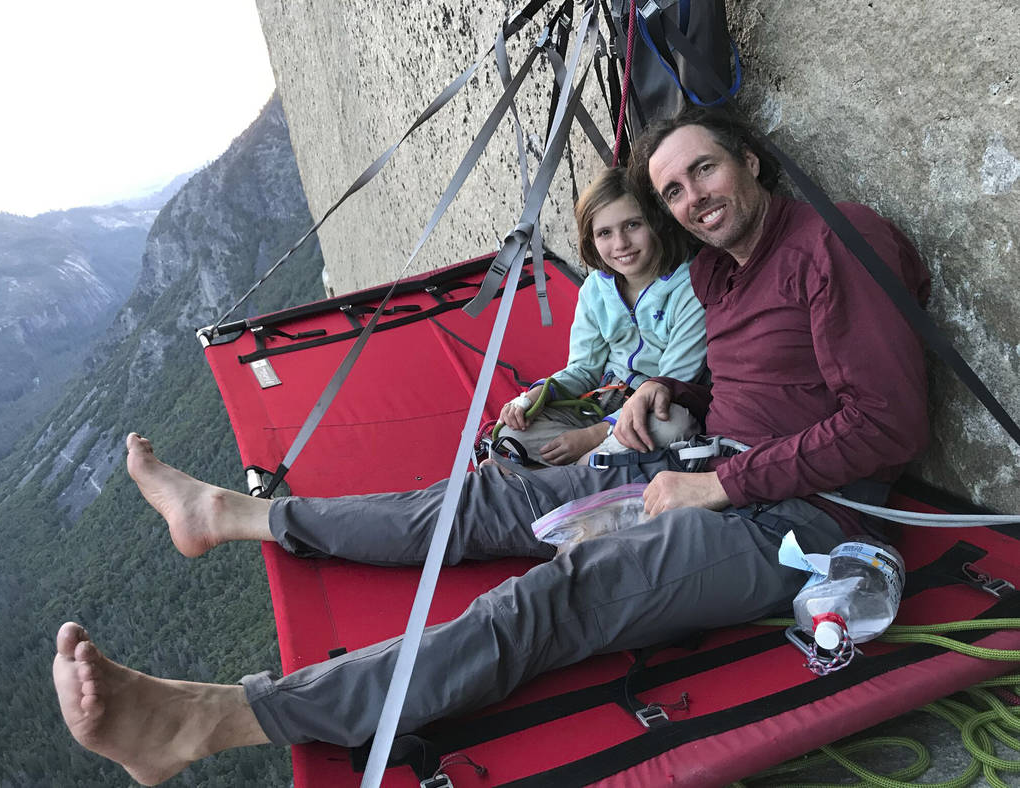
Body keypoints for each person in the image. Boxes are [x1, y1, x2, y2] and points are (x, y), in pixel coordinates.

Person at [53, 106, 930, 786]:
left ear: (750, 162)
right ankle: (240, 515)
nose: (693, 198)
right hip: (702, 463)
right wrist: (676, 391)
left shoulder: (836, 241)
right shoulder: (714, 272)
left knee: (547, 600)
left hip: (801, 519)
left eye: (705, 168)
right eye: (672, 190)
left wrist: (723, 485)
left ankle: (211, 722)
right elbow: (759, 383)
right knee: (484, 500)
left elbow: (886, 426)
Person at [495, 166, 706, 466]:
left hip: (659, 403)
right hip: (603, 400)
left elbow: (674, 381)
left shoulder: (691, 286)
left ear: (657, 222)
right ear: (591, 239)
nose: (620, 244)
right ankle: (594, 466)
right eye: (605, 233)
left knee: (676, 425)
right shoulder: (595, 289)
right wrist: (540, 393)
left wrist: (594, 436)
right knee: (514, 432)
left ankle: (580, 469)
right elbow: (584, 369)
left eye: (633, 225)